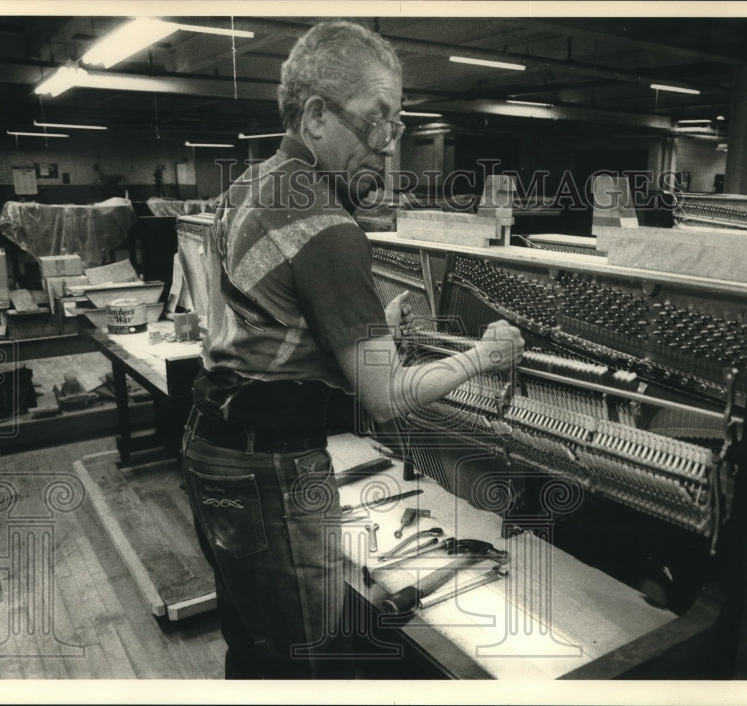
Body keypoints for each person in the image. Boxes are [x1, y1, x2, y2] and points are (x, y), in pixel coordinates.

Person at [180, 20, 525, 680]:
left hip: (210, 451)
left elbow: (263, 322)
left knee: (252, 639)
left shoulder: (249, 186)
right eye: (376, 121)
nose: (387, 145)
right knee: (310, 661)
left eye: (394, 125)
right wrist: (485, 355)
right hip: (271, 475)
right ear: (315, 116)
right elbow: (386, 397)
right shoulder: (328, 226)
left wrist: (371, 329)